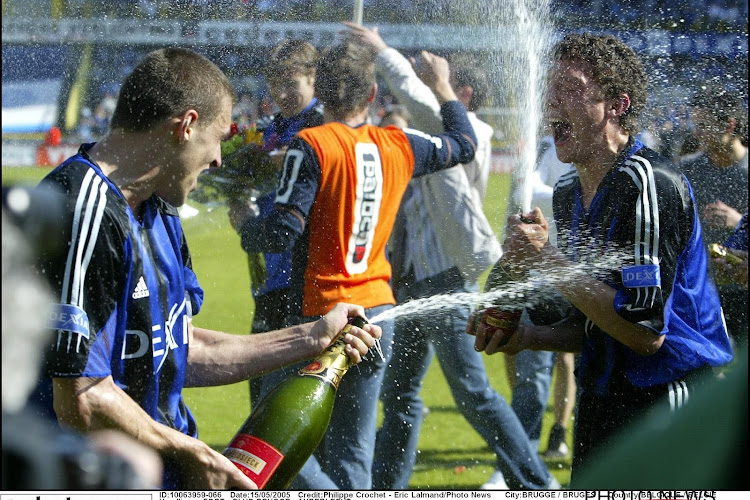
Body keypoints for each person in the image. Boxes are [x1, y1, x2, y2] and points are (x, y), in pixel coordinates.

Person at [28, 47, 382, 491]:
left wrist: (309, 338)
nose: (219, 159)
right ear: (185, 126)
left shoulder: (160, 207)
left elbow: (178, 349)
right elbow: (80, 400)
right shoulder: (86, 209)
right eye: (218, 137)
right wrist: (193, 452)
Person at [470, 33, 734, 486]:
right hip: (602, 399)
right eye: (549, 90)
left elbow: (643, 332)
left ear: (616, 104)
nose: (552, 103)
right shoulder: (570, 194)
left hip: (666, 400)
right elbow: (597, 322)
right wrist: (529, 336)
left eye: (569, 88)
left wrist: (548, 260)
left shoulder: (649, 184)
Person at [231, 40, 477, 489]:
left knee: (265, 439)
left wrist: (246, 225)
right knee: (351, 454)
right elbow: (463, 145)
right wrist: (443, 88)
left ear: (321, 93)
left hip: (319, 315)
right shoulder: (398, 144)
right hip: (378, 315)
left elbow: (281, 232)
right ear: (371, 96)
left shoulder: (312, 144)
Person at [345, 23, 556, 490]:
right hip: (410, 283)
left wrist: (383, 52)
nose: (425, 91)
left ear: (461, 94)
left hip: (446, 282)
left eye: (438, 86)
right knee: (400, 396)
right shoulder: (428, 137)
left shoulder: (471, 132)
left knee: (474, 394)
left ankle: (536, 483)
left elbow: (425, 105)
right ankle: (387, 486)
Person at [227, 39, 325, 411]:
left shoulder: (322, 127)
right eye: (275, 84)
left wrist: (279, 161)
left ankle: (279, 465)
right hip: (270, 265)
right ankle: (263, 465)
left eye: (292, 83)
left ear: (313, 79)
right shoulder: (270, 130)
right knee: (260, 377)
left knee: (286, 392)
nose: (282, 93)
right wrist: (237, 190)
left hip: (302, 271)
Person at [504, 135, 577, 460]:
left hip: (566, 268)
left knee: (564, 355)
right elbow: (516, 203)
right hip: (529, 270)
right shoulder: (542, 145)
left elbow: (540, 197)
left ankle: (557, 432)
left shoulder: (578, 149)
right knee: (512, 346)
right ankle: (521, 428)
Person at [680, 83, 748, 348]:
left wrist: (739, 222)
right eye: (695, 125)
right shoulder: (688, 169)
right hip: (702, 289)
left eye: (704, 125)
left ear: (729, 126)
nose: (697, 134)